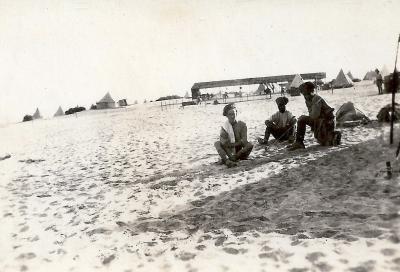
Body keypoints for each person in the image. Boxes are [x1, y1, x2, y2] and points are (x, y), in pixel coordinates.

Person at [287, 82, 341, 151]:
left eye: (305, 93)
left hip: (326, 123)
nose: (304, 96)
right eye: (303, 94)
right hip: (321, 122)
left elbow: (315, 115)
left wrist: (304, 117)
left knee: (301, 119)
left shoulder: (316, 99)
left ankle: (299, 142)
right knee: (323, 142)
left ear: (309, 92)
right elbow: (312, 115)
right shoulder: (308, 100)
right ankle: (299, 142)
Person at [214, 103, 253, 167]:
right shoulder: (224, 127)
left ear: (236, 113)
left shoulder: (242, 124)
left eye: (234, 114)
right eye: (230, 114)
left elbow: (244, 141)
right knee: (217, 143)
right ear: (226, 115)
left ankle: (230, 159)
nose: (232, 116)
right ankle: (228, 161)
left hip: (240, 153)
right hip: (229, 151)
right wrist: (231, 153)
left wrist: (236, 152)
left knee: (250, 144)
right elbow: (224, 144)